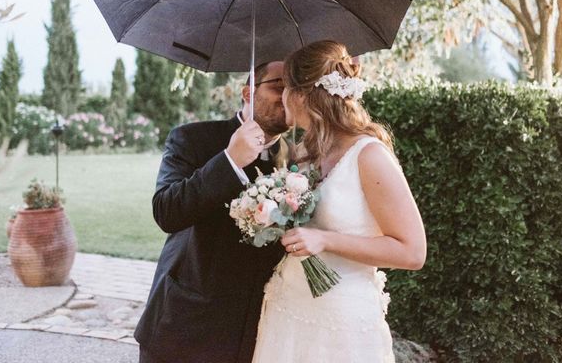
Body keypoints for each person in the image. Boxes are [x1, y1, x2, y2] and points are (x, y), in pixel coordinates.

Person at [252, 41, 427, 363]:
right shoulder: (305, 153)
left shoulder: (369, 155)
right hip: (289, 304)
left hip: (341, 319)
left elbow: (412, 252)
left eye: (285, 87)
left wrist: (324, 240)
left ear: (302, 95)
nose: (282, 97)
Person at [135, 61, 290, 363]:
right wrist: (230, 160)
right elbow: (167, 212)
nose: (287, 96)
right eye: (278, 86)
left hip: (256, 332)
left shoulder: (297, 156)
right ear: (248, 92)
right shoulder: (191, 139)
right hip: (186, 323)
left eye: (294, 89)